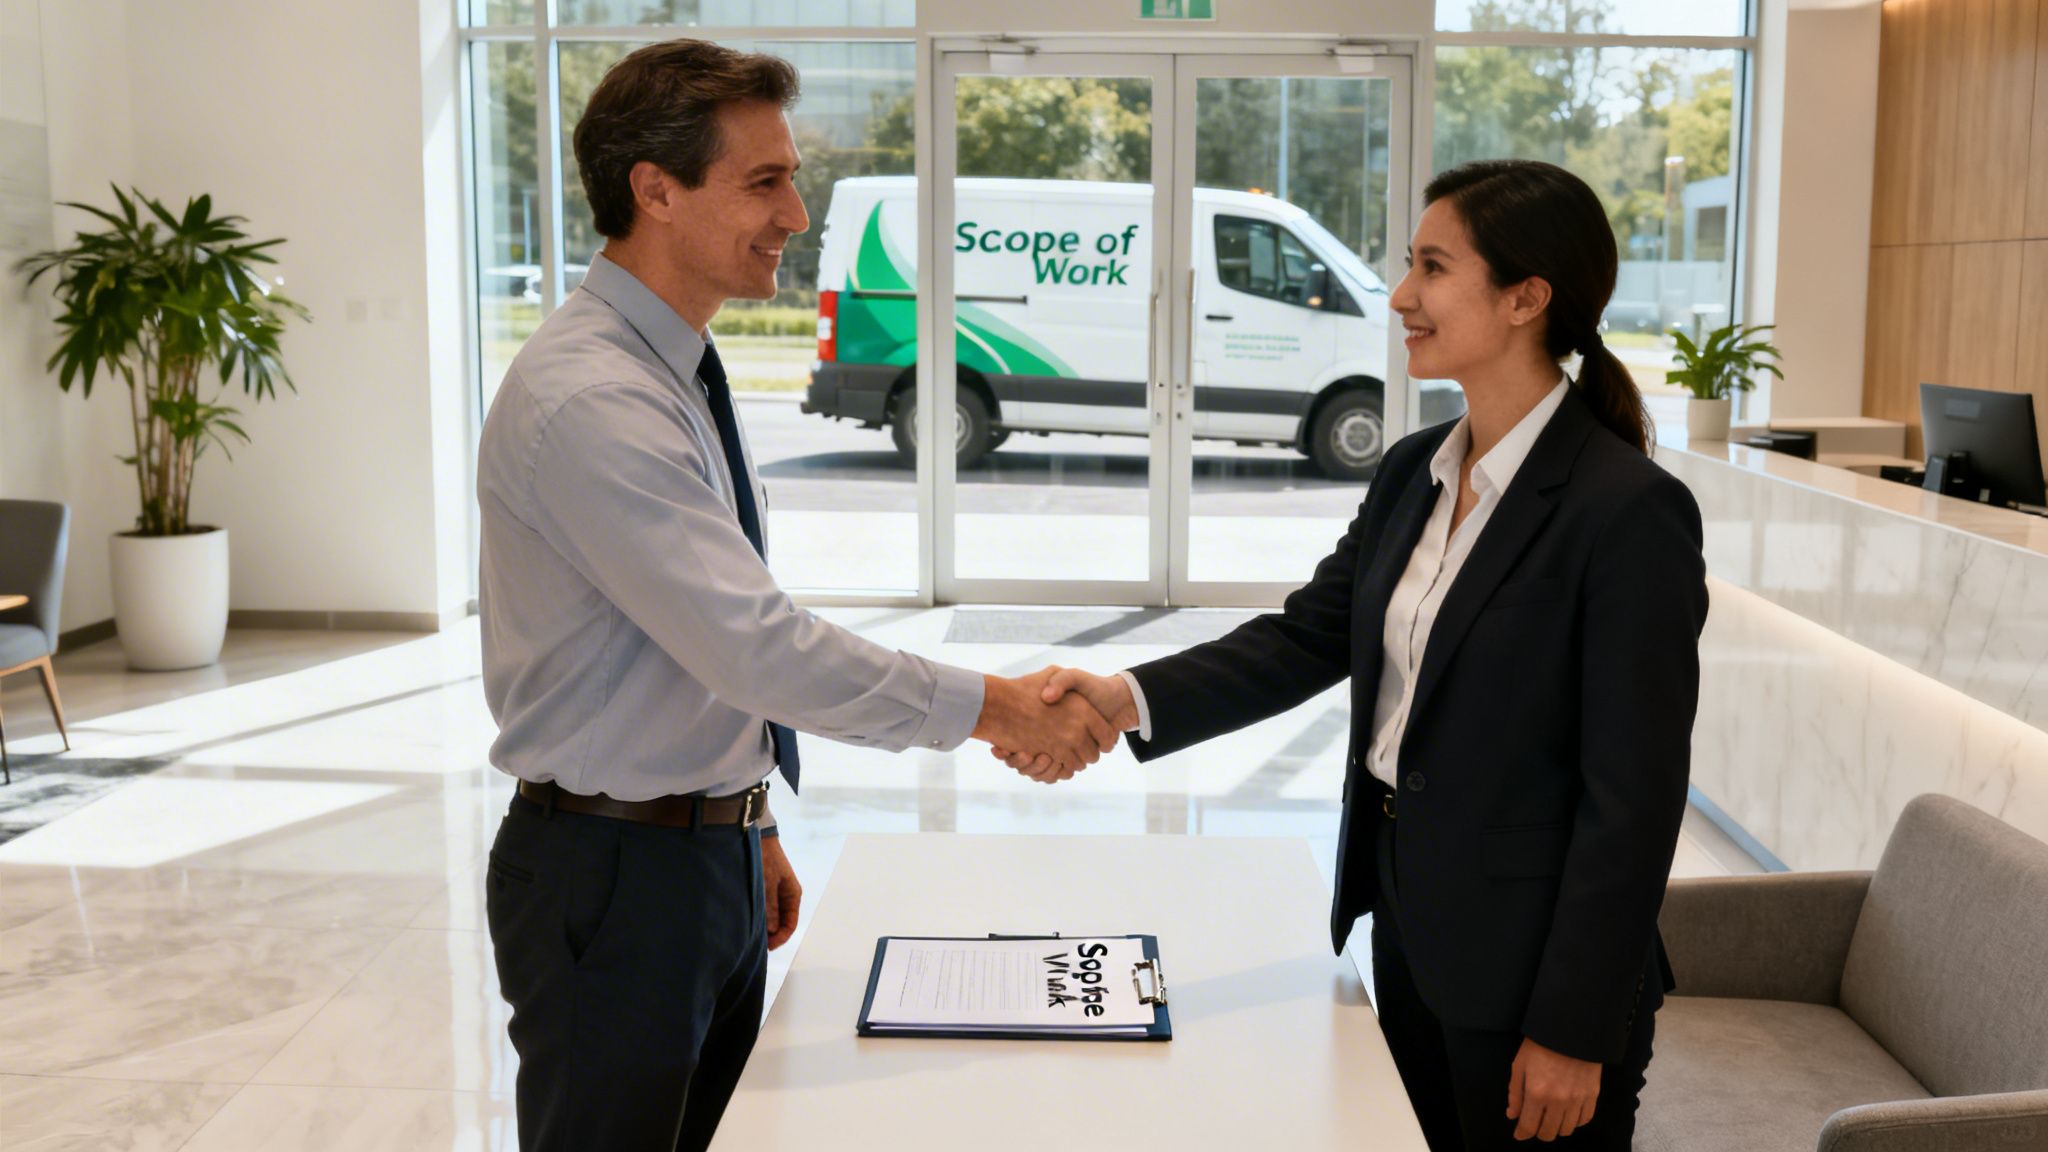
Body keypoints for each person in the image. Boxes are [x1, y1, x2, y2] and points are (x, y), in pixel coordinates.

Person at [476, 40, 1114, 1152]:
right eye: (764, 180)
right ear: (655, 189)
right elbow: (753, 647)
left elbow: (684, 648)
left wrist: (744, 815)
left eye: (791, 176)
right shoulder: (591, 399)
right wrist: (1002, 708)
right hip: (613, 878)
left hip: (693, 854)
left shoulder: (672, 371)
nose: (796, 209)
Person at [1001, 159, 1709, 1149]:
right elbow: (1305, 638)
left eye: (1431, 267)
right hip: (1408, 933)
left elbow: (1630, 803)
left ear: (1524, 297)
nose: (1401, 296)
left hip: (1531, 976)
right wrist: (1120, 695)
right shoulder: (1412, 471)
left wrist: (1571, 1028)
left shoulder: (1624, 512)